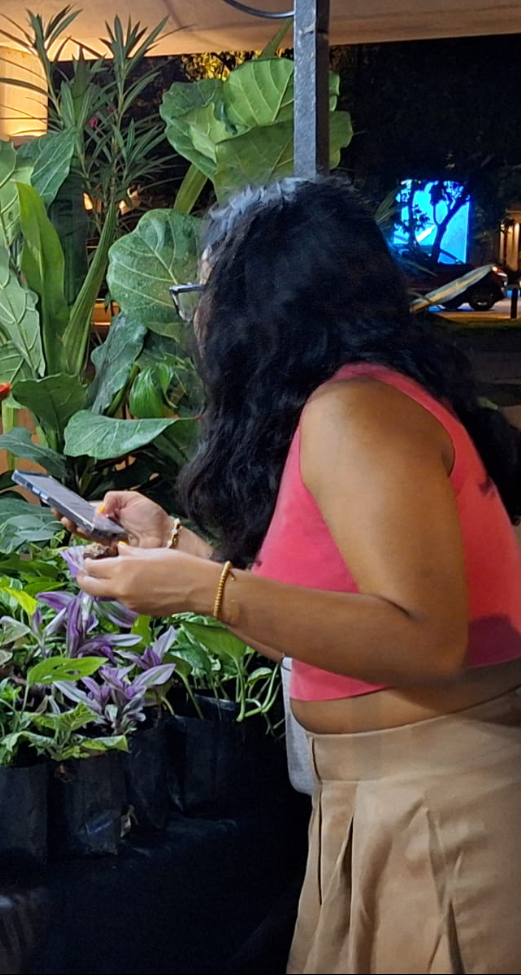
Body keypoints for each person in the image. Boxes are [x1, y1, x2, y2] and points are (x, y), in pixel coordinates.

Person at [64, 177, 521, 974]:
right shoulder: (357, 401)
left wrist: (198, 590)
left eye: (206, 290)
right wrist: (179, 546)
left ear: (262, 305)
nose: (198, 316)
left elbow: (426, 638)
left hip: (439, 803)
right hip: (389, 796)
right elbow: (333, 617)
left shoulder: (356, 413)